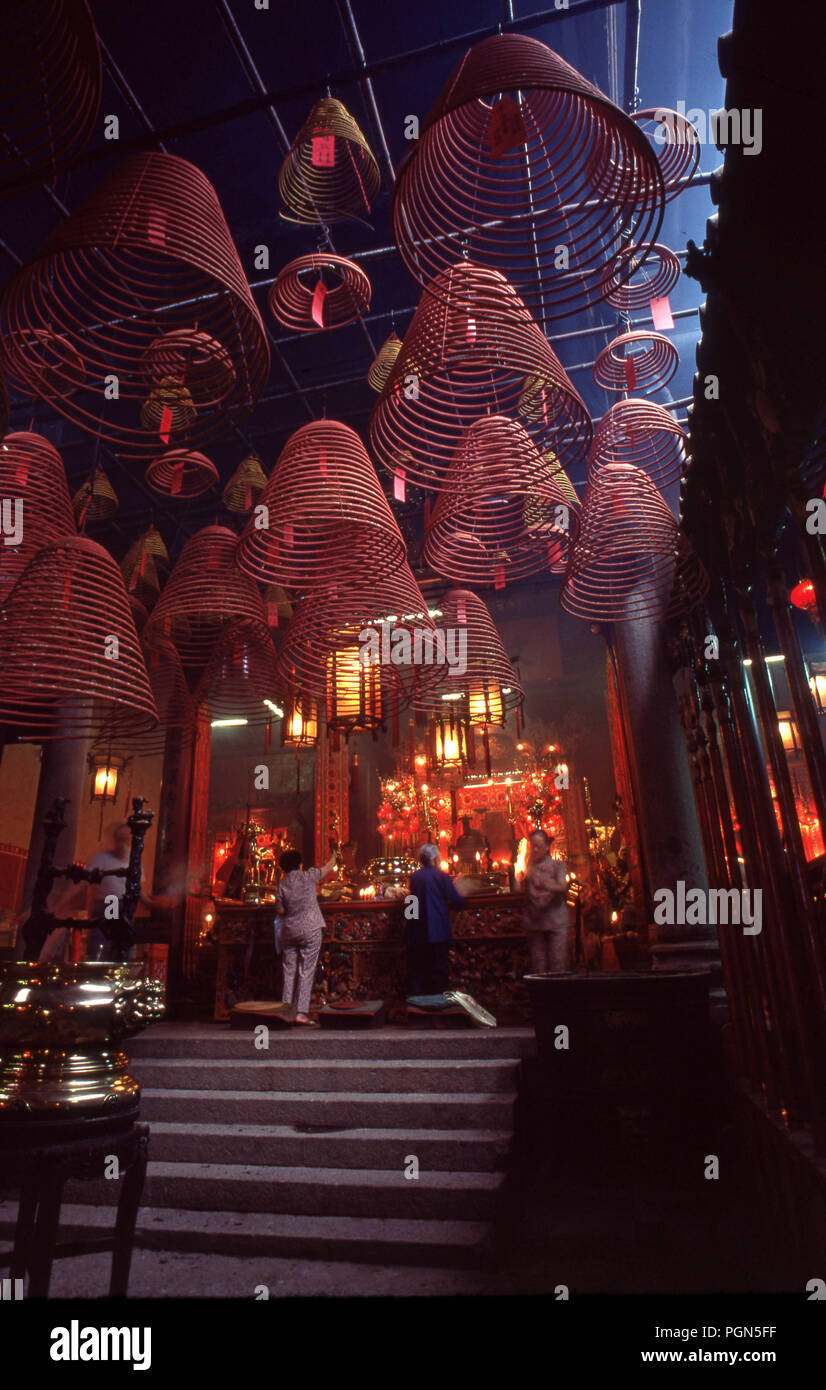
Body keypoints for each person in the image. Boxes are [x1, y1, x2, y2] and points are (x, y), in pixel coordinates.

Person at [274, 846, 337, 1025]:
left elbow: (280, 909)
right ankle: (301, 1013)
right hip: (310, 929)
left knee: (289, 971)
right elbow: (328, 867)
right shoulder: (308, 876)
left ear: (283, 868)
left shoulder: (282, 884)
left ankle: (285, 1012)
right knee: (306, 971)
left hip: (289, 931)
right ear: (300, 865)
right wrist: (334, 855)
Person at [406, 843, 465, 997]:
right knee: (439, 972)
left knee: (420, 971)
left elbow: (411, 903)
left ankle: (418, 1009)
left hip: (418, 931)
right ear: (437, 859)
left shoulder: (414, 877)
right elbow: (456, 901)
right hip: (438, 931)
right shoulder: (442, 876)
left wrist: (410, 927)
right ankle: (438, 1008)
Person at [518, 829, 572, 974]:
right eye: (532, 846)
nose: (535, 850)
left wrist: (546, 884)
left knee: (558, 964)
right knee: (539, 966)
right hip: (535, 921)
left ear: (547, 846)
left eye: (538, 846)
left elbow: (563, 886)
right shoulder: (529, 867)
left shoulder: (557, 865)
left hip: (556, 921)